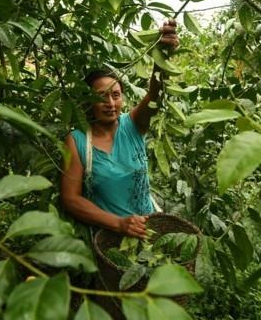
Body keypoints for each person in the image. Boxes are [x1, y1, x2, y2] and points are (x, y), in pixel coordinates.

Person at [61, 19, 179, 239]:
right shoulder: (77, 141)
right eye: (101, 97)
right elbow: (71, 199)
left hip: (150, 229)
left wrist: (162, 56)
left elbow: (155, 97)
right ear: (87, 100)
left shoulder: (132, 124)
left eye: (116, 95)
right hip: (111, 239)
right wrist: (119, 224)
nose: (111, 104)